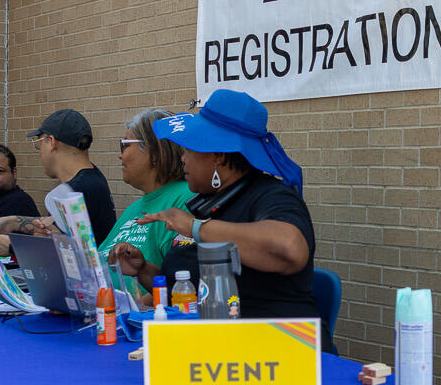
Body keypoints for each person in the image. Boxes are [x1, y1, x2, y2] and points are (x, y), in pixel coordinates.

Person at [126, 89, 317, 320]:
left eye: (188, 150)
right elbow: (188, 288)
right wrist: (143, 269)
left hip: (274, 344)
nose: (182, 158)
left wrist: (195, 227)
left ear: (217, 155)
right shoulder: (213, 202)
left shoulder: (272, 196)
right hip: (216, 341)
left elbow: (289, 247)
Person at [98, 107, 194, 279]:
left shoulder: (185, 198)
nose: (120, 155)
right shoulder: (135, 207)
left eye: (125, 145)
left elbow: (183, 281)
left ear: (155, 152)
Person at [28, 108, 118, 242]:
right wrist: (12, 221)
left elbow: (60, 252)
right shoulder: (94, 179)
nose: (39, 152)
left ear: (51, 142)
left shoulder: (68, 194)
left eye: (39, 143)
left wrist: (10, 247)